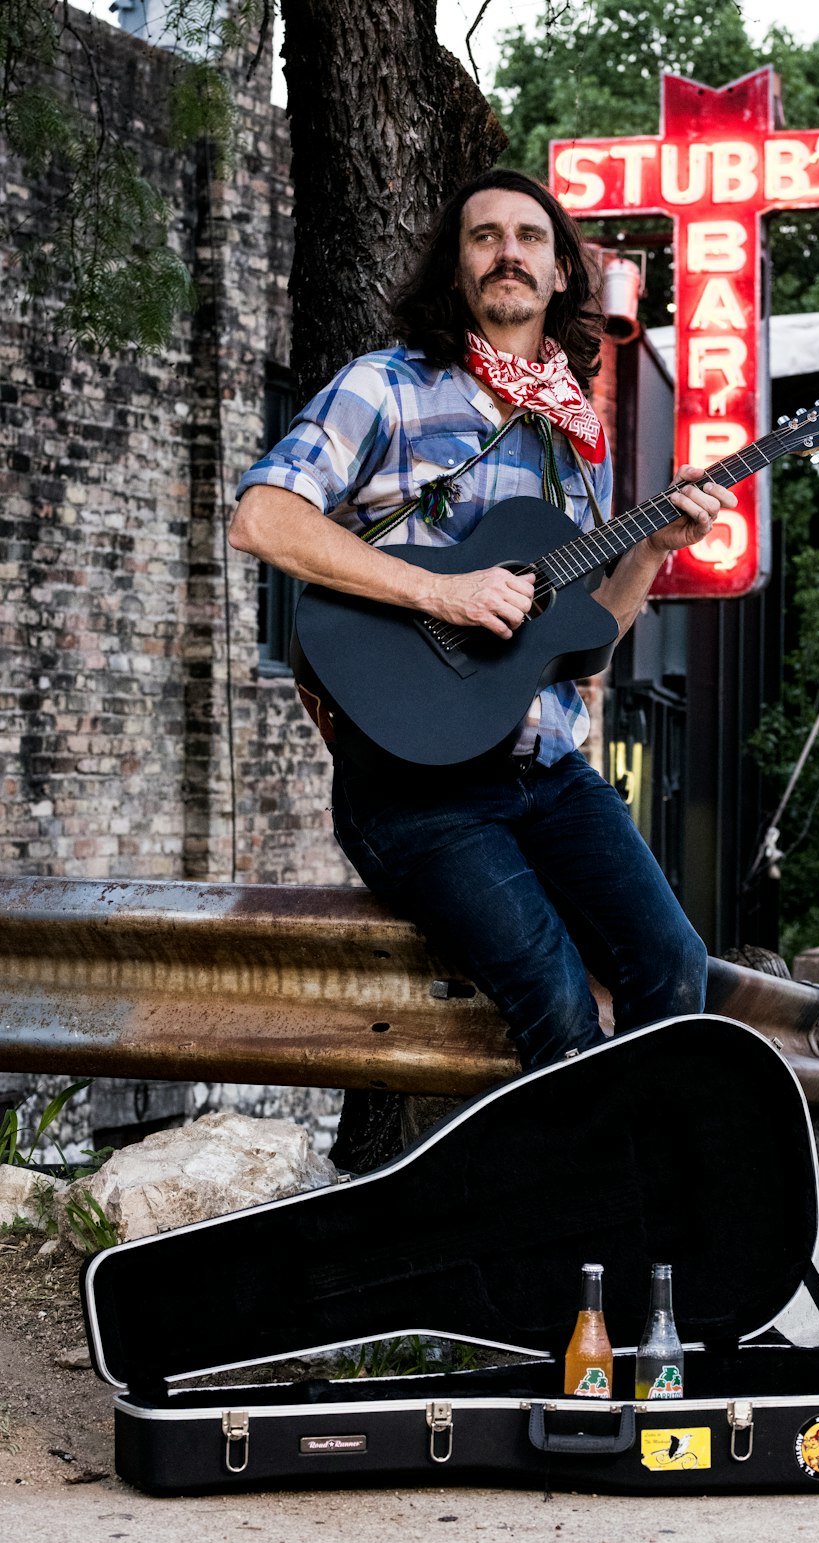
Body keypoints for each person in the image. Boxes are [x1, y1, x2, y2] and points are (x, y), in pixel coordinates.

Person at [229, 168, 735, 1165]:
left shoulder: (569, 445)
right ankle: (581, 1270)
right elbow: (263, 517)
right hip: (418, 791)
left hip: (546, 775)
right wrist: (441, 592)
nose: (509, 251)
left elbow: (583, 644)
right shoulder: (387, 387)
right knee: (552, 996)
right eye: (484, 236)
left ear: (560, 274)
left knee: (674, 963)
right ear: (456, 269)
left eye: (530, 238)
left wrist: (652, 548)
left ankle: (651, 1233)